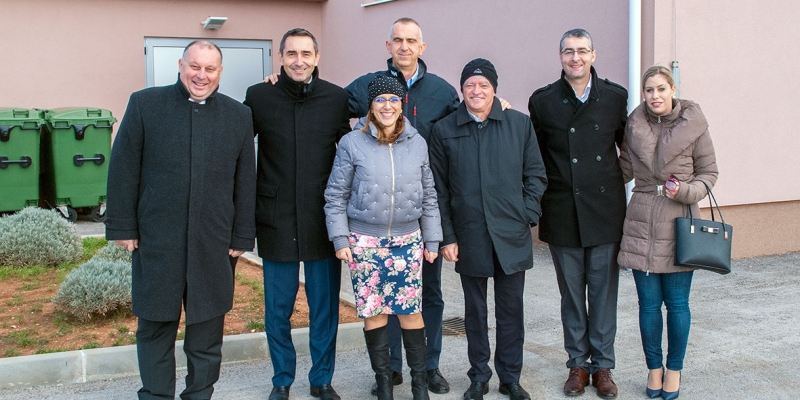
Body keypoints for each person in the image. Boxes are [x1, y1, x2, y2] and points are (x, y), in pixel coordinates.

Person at [105, 40, 256, 399]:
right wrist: (123, 226)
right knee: (155, 328)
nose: (201, 75)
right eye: (194, 66)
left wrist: (242, 235)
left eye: (210, 69)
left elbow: (245, 180)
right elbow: (123, 168)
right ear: (180, 65)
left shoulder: (238, 115)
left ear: (220, 72)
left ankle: (199, 394)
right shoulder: (145, 104)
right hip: (157, 239)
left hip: (214, 242)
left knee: (207, 333)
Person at [344, 17, 460, 396]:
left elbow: (463, 126)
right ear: (388, 45)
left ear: (421, 47)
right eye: (398, 40)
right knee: (385, 297)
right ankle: (392, 368)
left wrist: (499, 103)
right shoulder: (367, 85)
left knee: (428, 294)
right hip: (377, 218)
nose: (404, 46)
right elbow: (324, 103)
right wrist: (281, 81)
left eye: (412, 40)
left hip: (423, 210)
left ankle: (429, 368)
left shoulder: (443, 92)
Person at [429, 58, 547, 400]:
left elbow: (535, 175)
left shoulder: (518, 124)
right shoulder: (445, 129)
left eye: (483, 85)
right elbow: (438, 189)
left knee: (511, 312)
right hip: (469, 235)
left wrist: (526, 214)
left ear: (495, 89)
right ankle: (479, 376)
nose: (476, 91)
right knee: (475, 313)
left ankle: (510, 377)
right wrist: (448, 236)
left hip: (511, 234)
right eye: (470, 85)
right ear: (462, 89)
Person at [243, 28, 351, 400]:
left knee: (324, 309)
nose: (299, 61)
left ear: (317, 58)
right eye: (291, 54)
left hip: (323, 220)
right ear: (280, 57)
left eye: (306, 54)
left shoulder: (337, 98)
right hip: (275, 219)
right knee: (277, 310)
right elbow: (237, 145)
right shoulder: (259, 96)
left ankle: (321, 379)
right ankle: (282, 379)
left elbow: (352, 148)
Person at [324, 74, 443, 400]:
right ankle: (385, 387)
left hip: (407, 242)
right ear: (371, 106)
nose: (387, 105)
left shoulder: (417, 143)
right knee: (374, 313)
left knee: (410, 311)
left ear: (401, 104)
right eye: (380, 100)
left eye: (393, 99)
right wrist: (340, 239)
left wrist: (432, 240)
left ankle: (419, 386)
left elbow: (429, 196)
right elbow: (335, 196)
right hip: (365, 243)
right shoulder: (352, 143)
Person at [527, 28, 628, 399]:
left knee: (603, 294)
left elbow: (629, 151)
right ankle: (577, 365)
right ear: (560, 57)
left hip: (604, 211)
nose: (576, 58)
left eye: (582, 51)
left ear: (593, 55)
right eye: (568, 51)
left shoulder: (615, 97)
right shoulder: (542, 101)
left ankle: (602, 367)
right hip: (562, 210)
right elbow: (534, 158)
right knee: (571, 295)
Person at [617, 65, 718, 400]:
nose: (655, 96)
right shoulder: (634, 125)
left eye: (661, 89)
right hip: (642, 221)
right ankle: (654, 369)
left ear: (673, 89)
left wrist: (685, 191)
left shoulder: (694, 124)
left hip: (679, 221)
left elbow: (709, 173)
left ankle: (674, 369)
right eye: (649, 90)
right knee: (648, 305)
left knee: (676, 304)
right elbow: (622, 170)